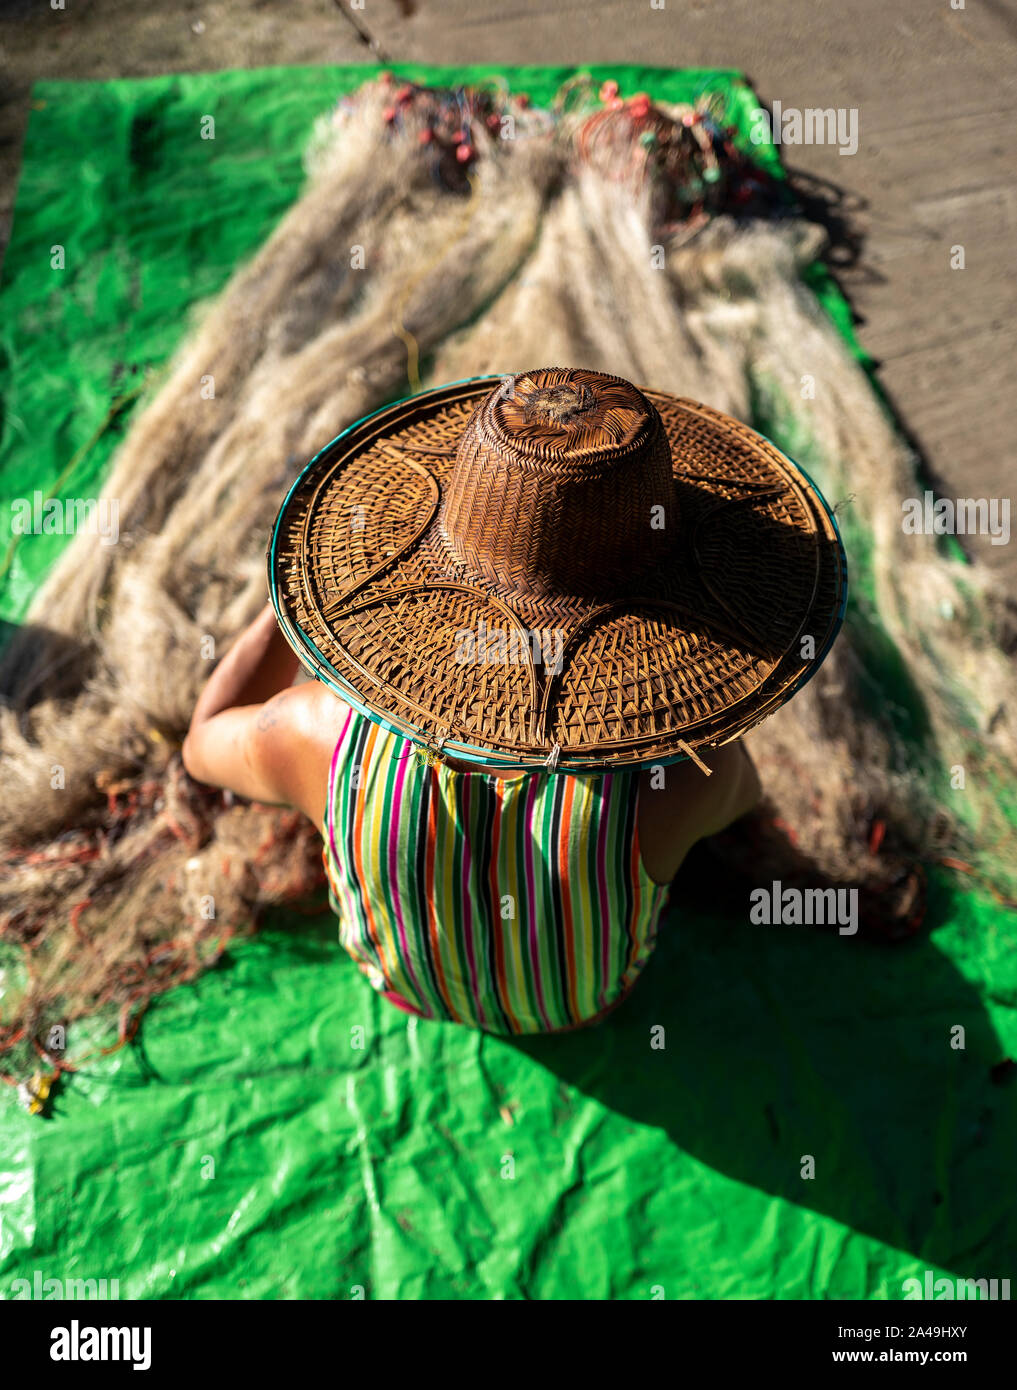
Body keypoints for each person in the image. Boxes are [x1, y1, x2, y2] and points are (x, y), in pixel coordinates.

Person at [184, 367, 846, 1032]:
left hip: (403, 984)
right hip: (582, 1008)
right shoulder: (681, 780)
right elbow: (745, 800)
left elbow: (202, 742)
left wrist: (301, 608)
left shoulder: (314, 735)